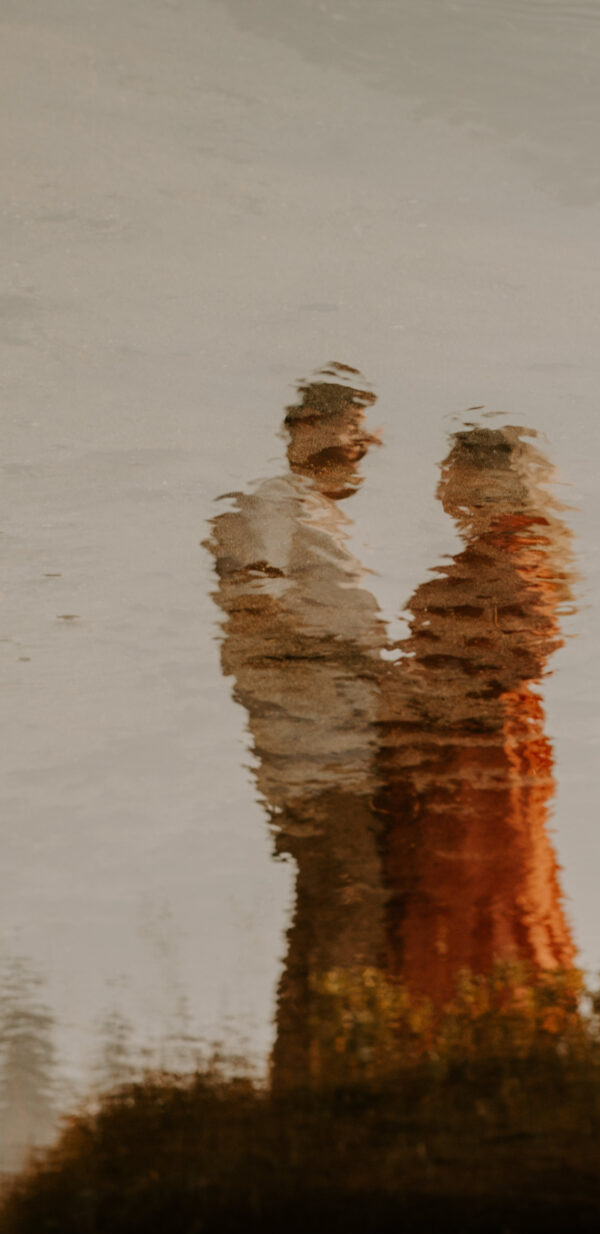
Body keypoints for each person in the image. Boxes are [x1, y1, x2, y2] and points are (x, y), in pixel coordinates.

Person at [207, 372, 389, 1083]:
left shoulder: (321, 515)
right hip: (313, 746)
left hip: (338, 741)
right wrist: (359, 660)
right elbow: (253, 607)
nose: (361, 446)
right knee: (348, 902)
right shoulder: (276, 503)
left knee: (329, 906)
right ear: (300, 430)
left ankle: (309, 1082)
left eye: (364, 434)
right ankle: (333, 1081)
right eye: (347, 429)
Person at [377, 425, 580, 1006]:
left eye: (452, 469)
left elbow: (523, 655)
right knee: (470, 891)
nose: (443, 482)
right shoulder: (506, 548)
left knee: (476, 888)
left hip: (479, 757)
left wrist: (418, 697)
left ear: (489, 479)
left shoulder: (517, 549)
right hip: (465, 757)